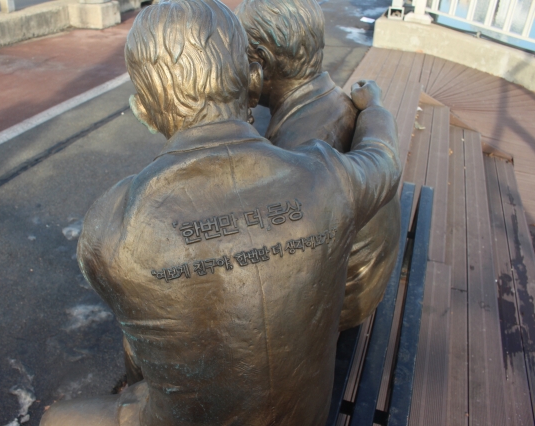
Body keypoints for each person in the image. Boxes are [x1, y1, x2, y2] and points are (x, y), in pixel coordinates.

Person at [40, 0, 400, 424]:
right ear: (252, 80)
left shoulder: (111, 222)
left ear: (142, 110)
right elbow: (384, 157)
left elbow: (142, 340)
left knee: (56, 418)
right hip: (308, 413)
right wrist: (373, 105)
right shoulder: (327, 176)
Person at [236, 0, 402, 331]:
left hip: (342, 305)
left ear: (263, 63)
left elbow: (278, 272)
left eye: (239, 59)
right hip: (364, 280)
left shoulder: (298, 154)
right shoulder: (331, 98)